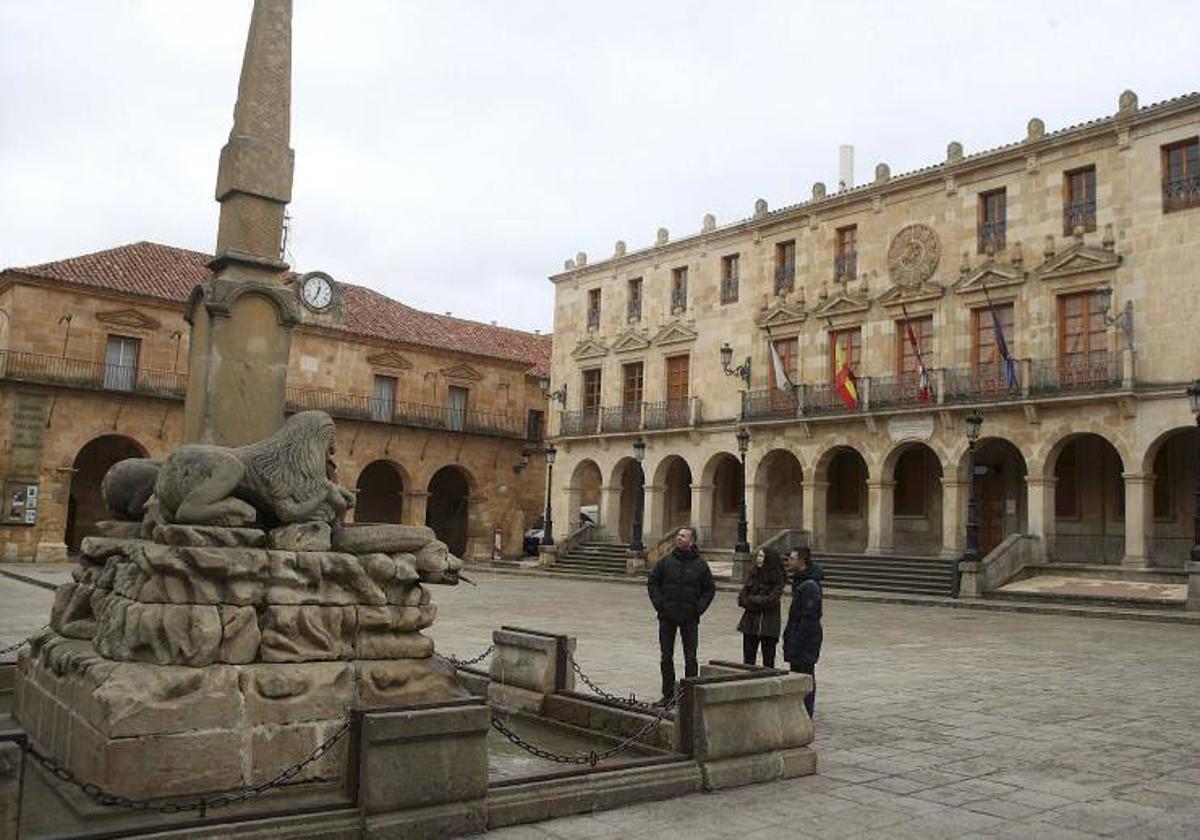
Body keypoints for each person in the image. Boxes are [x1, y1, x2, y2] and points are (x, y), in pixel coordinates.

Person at [647, 526, 716, 703]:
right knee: (666, 656)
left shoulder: (700, 565)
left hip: (689, 618)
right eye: (678, 535)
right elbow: (653, 582)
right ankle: (668, 694)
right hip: (667, 616)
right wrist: (659, 604)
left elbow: (709, 589)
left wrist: (698, 608)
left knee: (690, 657)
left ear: (691, 541)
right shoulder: (666, 561)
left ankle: (689, 696)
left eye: (683, 536)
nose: (679, 538)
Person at [783, 546, 823, 718]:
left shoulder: (810, 585)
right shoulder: (800, 581)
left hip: (806, 638)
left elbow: (810, 616)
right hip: (798, 635)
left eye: (792, 558)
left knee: (805, 674)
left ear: (802, 561)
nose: (789, 562)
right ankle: (800, 709)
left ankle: (806, 711)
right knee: (798, 673)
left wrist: (796, 639)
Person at [736, 546, 785, 667]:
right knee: (748, 661)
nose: (758, 558)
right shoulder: (753, 574)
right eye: (758, 555)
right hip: (750, 624)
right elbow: (742, 599)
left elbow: (770, 601)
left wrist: (751, 600)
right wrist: (756, 602)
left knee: (768, 662)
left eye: (762, 556)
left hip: (769, 625)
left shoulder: (778, 579)